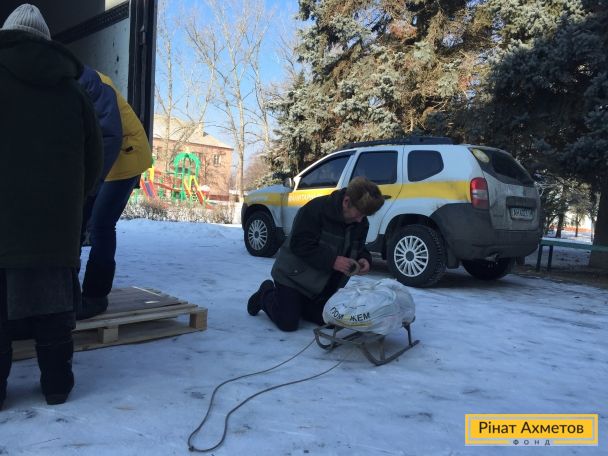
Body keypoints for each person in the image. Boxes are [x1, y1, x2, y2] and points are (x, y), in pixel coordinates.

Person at [0, 4, 103, 407]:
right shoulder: (74, 92)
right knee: (54, 312)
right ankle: (57, 387)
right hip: (56, 229)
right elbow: (94, 160)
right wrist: (68, 202)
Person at [247, 177, 385, 331]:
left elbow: (359, 247)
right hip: (293, 277)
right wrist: (333, 261)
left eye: (365, 216)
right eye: (359, 213)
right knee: (288, 322)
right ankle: (265, 293)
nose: (361, 220)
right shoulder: (316, 209)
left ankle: (299, 305)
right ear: (346, 202)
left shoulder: (360, 222)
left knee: (331, 321)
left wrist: (364, 258)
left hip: (321, 285)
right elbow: (299, 244)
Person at [76, 69, 153, 320]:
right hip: (103, 156)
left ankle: (95, 296)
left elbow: (110, 137)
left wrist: (92, 183)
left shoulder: (90, 83)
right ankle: (66, 291)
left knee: (100, 224)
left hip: (127, 153)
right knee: (76, 221)